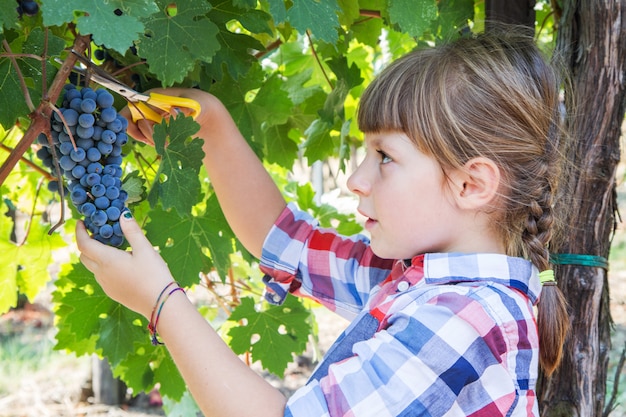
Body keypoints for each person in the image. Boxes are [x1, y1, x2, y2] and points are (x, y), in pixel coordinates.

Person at [75, 29, 570, 416]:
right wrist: (214, 125)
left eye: (384, 157)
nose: (357, 178)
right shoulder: (415, 279)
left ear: (470, 185)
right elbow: (283, 241)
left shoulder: (465, 320)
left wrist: (162, 302)